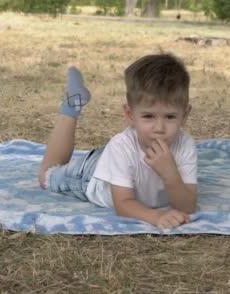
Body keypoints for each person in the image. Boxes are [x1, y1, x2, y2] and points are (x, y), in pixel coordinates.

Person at [38, 53, 198, 229]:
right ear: (130, 114)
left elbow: (187, 206)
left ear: (185, 115)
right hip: (90, 176)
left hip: (118, 159)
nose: (159, 128)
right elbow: (123, 204)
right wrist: (156, 216)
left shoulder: (185, 145)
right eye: (148, 116)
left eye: (170, 116)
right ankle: (72, 104)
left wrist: (171, 174)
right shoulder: (121, 147)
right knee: (46, 176)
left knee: (117, 154)